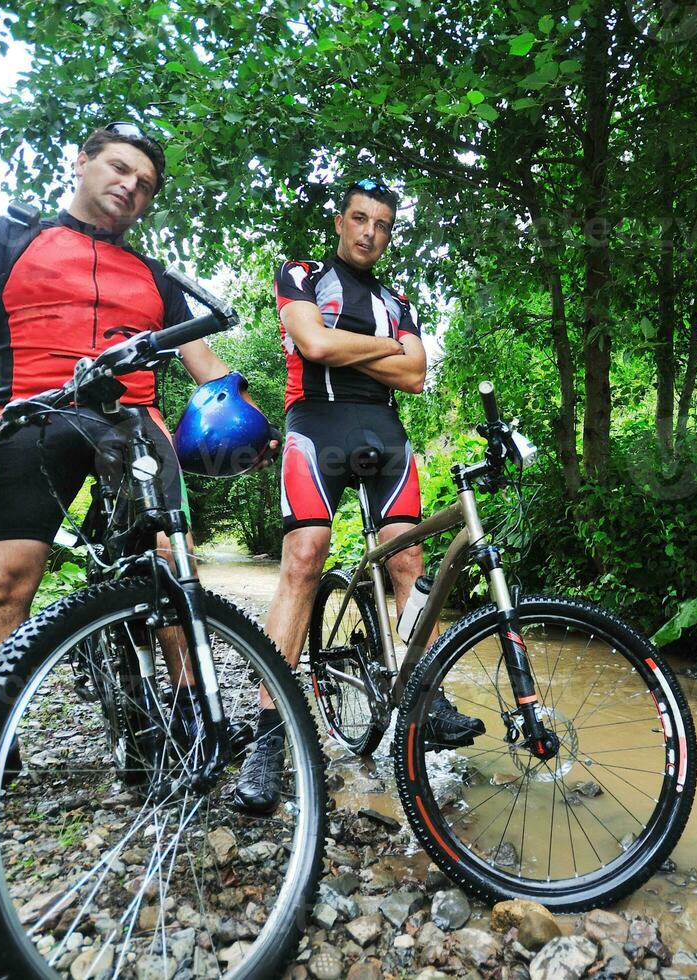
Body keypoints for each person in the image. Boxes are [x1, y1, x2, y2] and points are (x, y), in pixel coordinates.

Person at [0, 123, 248, 840]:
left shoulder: (155, 276)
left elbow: (205, 365)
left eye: (145, 184)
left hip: (132, 420)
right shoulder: (4, 236)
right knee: (6, 577)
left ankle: (187, 711)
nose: (131, 186)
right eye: (119, 168)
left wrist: (246, 420)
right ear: (82, 161)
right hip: (34, 411)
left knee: (166, 562)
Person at [235, 178, 483, 814]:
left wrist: (348, 347)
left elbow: (418, 374)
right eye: (359, 218)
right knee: (304, 555)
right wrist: (382, 350)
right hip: (315, 425)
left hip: (385, 429)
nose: (369, 231)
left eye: (382, 224)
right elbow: (312, 343)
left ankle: (428, 700)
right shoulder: (300, 273)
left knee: (409, 561)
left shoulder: (398, 298)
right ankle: (269, 736)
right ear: (340, 222)